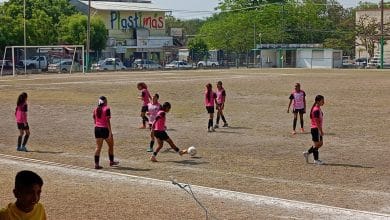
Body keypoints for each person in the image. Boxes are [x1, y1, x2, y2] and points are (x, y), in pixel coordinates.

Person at [93, 96, 119, 169]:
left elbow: (94, 118)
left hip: (97, 129)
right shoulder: (107, 109)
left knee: (98, 147)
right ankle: (111, 161)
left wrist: (97, 123)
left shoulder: (95, 109)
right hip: (104, 129)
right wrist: (110, 132)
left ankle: (96, 164)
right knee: (111, 145)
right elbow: (108, 121)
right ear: (104, 101)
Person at [303, 95, 325, 165]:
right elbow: (316, 121)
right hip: (316, 129)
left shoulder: (318, 108)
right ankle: (316, 160)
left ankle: (307, 153)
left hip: (316, 129)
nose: (323, 102)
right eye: (322, 100)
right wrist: (320, 130)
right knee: (317, 144)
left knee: (320, 144)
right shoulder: (316, 110)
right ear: (318, 101)